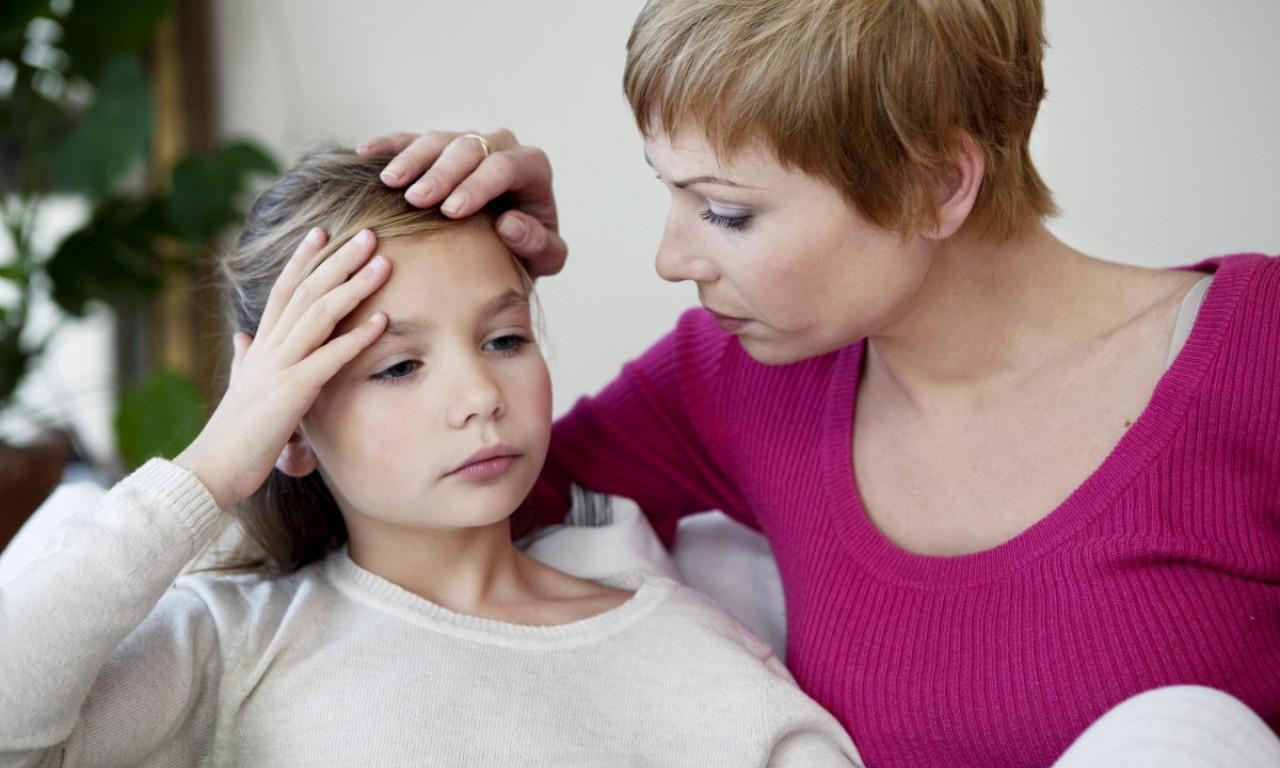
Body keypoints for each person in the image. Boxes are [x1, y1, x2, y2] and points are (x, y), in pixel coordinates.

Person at [356, 0, 1280, 766]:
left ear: (937, 185)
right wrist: (462, 271)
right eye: (669, 192)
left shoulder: (1259, 355)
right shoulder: (740, 381)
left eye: (725, 210)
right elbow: (396, 519)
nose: (672, 257)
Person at [0, 146, 864, 767]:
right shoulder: (229, 645)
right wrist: (219, 461)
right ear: (290, 422)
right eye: (401, 366)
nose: (479, 396)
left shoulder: (688, 656)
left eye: (504, 338)